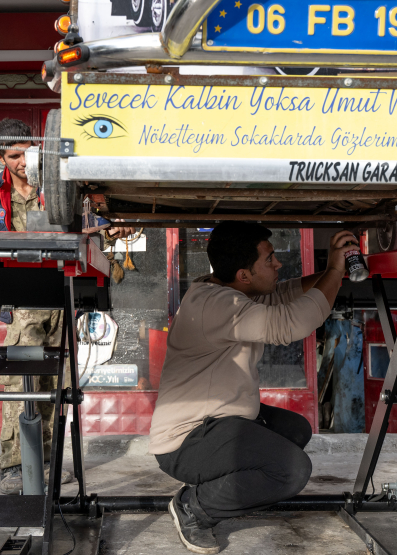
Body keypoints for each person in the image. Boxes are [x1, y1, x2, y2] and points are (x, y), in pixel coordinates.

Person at [149, 222, 357, 553]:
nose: (278, 264)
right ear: (244, 275)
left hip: (218, 422)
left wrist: (335, 270)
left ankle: (221, 486)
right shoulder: (219, 306)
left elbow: (287, 294)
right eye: (270, 259)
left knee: (294, 430)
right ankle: (194, 508)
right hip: (186, 441)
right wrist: (333, 269)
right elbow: (291, 323)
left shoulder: (225, 291)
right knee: (291, 471)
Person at [0, 117, 134, 494]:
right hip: (21, 298)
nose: (24, 161)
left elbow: (94, 226)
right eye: (14, 156)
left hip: (60, 298)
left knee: (54, 382)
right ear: (0, 157)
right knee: (19, 381)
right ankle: (15, 465)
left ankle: (44, 461)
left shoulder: (59, 184)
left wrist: (114, 226)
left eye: (27, 151)